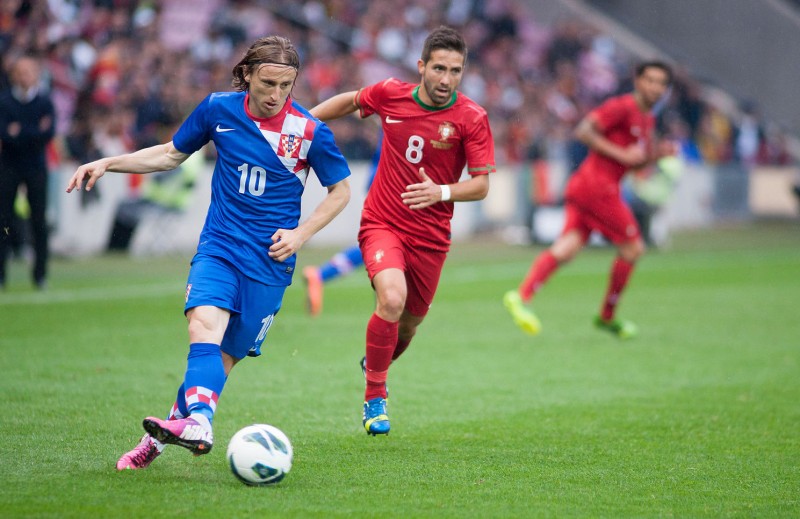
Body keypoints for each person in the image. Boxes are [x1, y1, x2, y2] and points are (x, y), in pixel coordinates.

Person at [66, 36, 351, 469]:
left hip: (270, 262)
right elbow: (168, 155)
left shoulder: (308, 130)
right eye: (268, 82)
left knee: (219, 362)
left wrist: (301, 234)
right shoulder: (218, 109)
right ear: (248, 74)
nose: (276, 95)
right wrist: (109, 162)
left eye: (286, 86)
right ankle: (200, 421)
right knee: (202, 323)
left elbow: (341, 192)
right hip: (219, 245)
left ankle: (161, 440)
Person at [310, 26, 495, 435]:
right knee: (392, 299)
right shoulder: (391, 93)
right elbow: (351, 101)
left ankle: (375, 363)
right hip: (383, 222)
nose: (446, 79)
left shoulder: (472, 118)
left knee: (408, 325)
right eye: (439, 68)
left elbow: (481, 184)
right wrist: (302, 123)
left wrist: (441, 191)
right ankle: (375, 398)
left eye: (455, 71)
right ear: (422, 67)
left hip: (431, 237)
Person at [503, 61, 674, 339]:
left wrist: (656, 155)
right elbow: (584, 131)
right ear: (638, 81)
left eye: (661, 83)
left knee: (568, 247)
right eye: (650, 80)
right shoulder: (622, 107)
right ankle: (607, 316)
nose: (655, 87)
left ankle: (521, 296)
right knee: (633, 249)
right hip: (597, 188)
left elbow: (630, 162)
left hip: (588, 186)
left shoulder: (647, 118)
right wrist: (622, 155)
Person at [302, 131, 381, 316]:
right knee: (383, 245)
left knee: (376, 245)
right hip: (389, 182)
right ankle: (321, 275)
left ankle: (321, 275)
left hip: (380, 179)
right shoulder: (402, 107)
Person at [0, 54, 56, 290]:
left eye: (29, 72)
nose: (24, 77)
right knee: (4, 220)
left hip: (35, 167)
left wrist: (19, 132)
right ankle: (2, 274)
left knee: (39, 221)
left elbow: (48, 134)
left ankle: (40, 274)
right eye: (20, 72)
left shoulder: (45, 102)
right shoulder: (5, 102)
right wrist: (32, 132)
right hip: (9, 166)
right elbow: (5, 134)